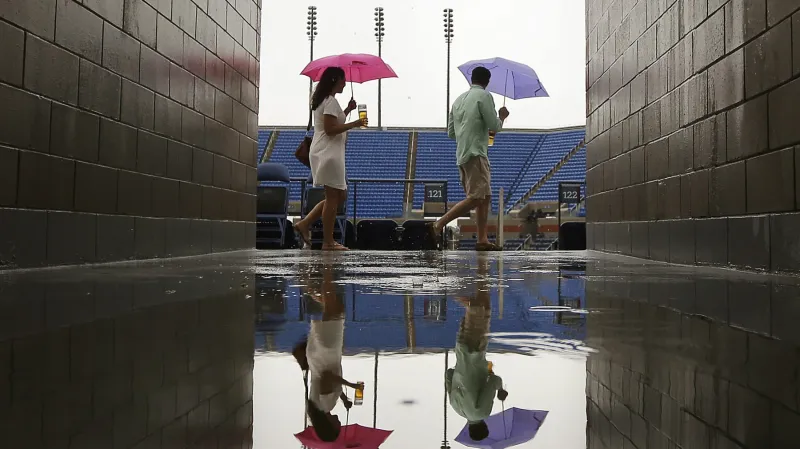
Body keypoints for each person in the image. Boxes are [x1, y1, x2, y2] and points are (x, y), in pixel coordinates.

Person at [428, 66, 509, 251]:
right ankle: (438, 225)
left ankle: (482, 239)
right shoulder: (485, 96)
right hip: (476, 153)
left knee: (485, 196)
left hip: (462, 154)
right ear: (487, 82)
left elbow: (450, 133)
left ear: (471, 79)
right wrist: (502, 117)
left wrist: (469, 129)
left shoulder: (458, 100)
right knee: (475, 197)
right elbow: (494, 125)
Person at [294, 67, 367, 251]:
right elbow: (330, 129)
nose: (344, 83)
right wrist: (355, 123)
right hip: (328, 153)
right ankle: (328, 242)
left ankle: (305, 223)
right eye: (343, 79)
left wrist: (348, 110)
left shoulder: (325, 100)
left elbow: (333, 122)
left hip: (326, 151)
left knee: (338, 195)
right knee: (333, 197)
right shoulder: (330, 101)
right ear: (335, 80)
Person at [292, 259, 361, 441]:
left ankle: (327, 266)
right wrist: (344, 398)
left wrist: (352, 386)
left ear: (330, 426)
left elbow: (327, 378)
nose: (340, 425)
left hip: (327, 352)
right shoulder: (318, 409)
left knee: (336, 311)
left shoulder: (325, 406)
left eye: (337, 428)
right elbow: (330, 386)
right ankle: (310, 284)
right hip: (319, 354)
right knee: (332, 311)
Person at [446, 255, 508, 441]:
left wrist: (500, 390)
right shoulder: (456, 408)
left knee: (479, 310)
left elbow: (493, 382)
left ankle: (452, 286)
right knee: (485, 308)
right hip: (462, 350)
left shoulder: (482, 412)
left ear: (485, 427)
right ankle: (482, 267)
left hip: (476, 351)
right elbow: (449, 374)